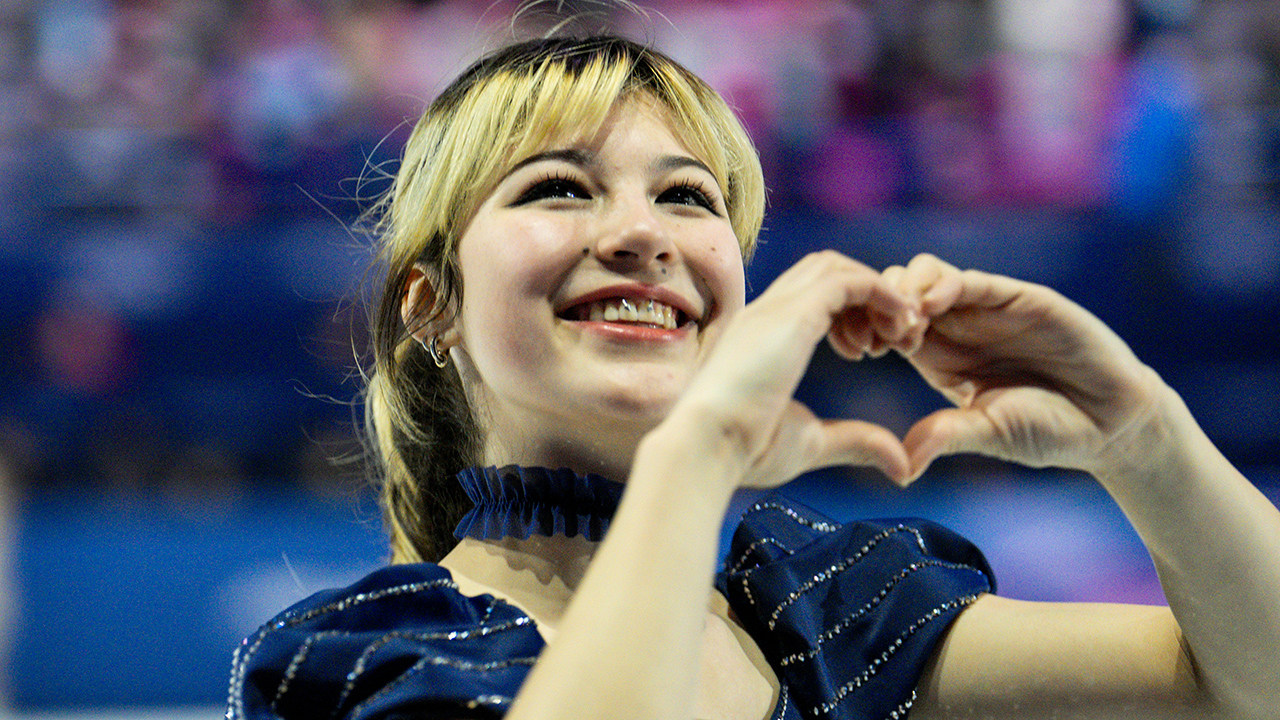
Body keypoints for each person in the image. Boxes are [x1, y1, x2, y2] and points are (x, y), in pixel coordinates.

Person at [228, 35, 1280, 720]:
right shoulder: (347, 663)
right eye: (557, 187)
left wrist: (1144, 435)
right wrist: (697, 457)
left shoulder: (828, 611)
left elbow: (1242, 687)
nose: (641, 234)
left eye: (688, 199)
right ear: (431, 303)